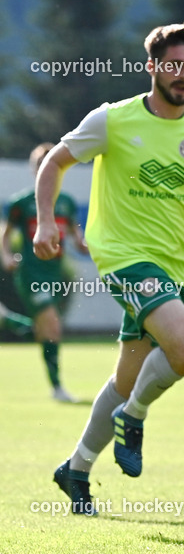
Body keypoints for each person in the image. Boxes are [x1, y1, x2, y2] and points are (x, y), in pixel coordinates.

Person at [35, 22, 184, 515]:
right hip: (123, 257)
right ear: (152, 66)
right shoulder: (113, 119)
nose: (183, 75)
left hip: (175, 269)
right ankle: (135, 417)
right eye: (173, 65)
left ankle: (76, 469)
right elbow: (54, 164)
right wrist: (45, 222)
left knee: (125, 379)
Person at [2, 143, 90, 401]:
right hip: (31, 272)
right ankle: (57, 388)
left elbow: (76, 236)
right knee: (51, 326)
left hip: (55, 273)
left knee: (48, 331)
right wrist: (7, 256)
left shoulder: (66, 203)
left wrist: (86, 245)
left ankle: (8, 321)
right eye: (40, 165)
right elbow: (5, 236)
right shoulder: (22, 203)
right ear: (34, 170)